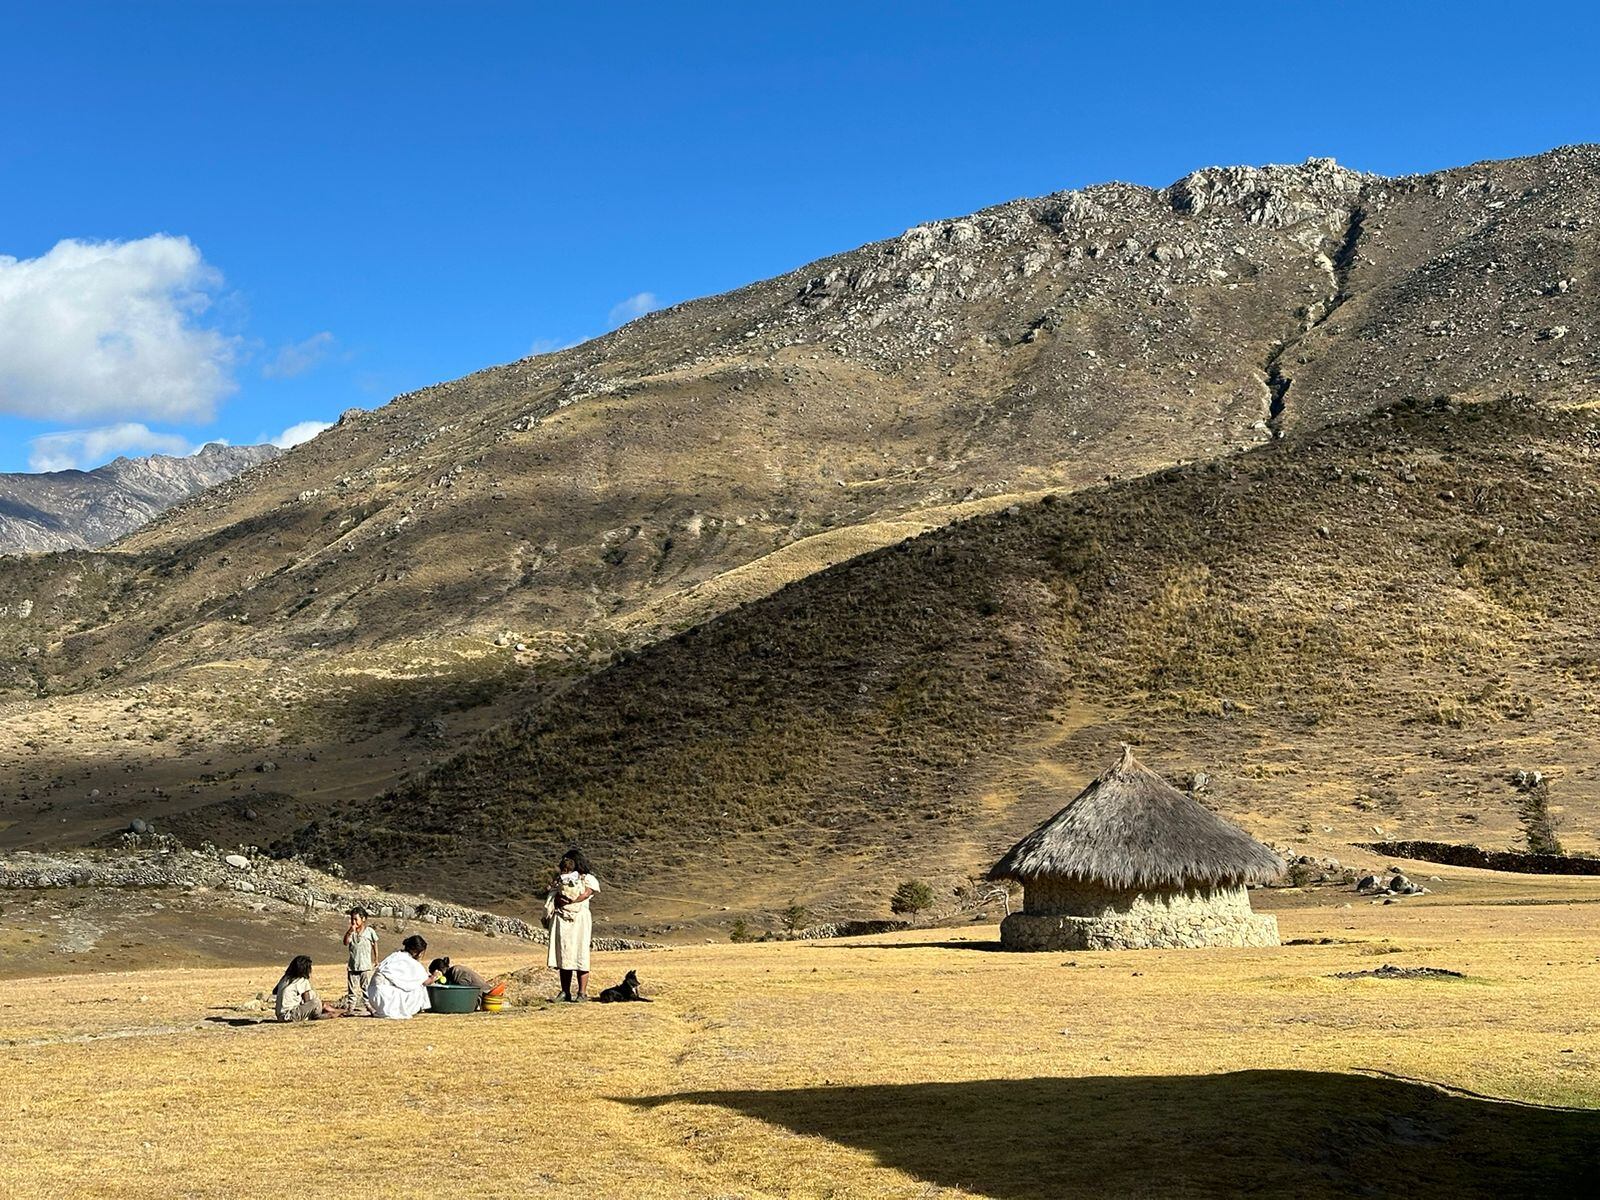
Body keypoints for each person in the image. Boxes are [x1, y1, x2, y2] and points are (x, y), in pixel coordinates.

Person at [544, 848, 600, 1001]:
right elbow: (553, 893)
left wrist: (572, 901)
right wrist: (557, 900)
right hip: (562, 918)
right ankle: (565, 992)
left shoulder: (587, 879)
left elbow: (586, 893)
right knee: (564, 954)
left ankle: (582, 993)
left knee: (580, 953)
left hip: (579, 920)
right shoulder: (560, 879)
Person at [367, 934, 432, 1019]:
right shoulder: (410, 962)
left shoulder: (395, 956)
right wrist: (436, 976)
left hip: (373, 994)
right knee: (419, 987)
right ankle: (412, 1009)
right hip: (384, 995)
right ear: (417, 952)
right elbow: (426, 981)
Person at [272, 955, 346, 1022]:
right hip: (290, 1016)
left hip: (280, 1016)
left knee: (317, 1003)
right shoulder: (302, 980)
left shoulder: (285, 978)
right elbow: (308, 1001)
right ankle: (329, 1014)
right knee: (316, 1002)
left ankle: (334, 1010)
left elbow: (275, 991)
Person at [342, 906, 379, 1014]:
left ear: (363, 919)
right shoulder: (351, 932)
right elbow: (345, 942)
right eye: (352, 919)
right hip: (353, 965)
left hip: (365, 965)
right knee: (352, 989)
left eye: (356, 919)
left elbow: (375, 944)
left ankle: (369, 1006)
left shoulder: (369, 932)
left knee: (366, 987)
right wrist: (349, 932)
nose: (354, 922)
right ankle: (351, 1007)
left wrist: (376, 958)